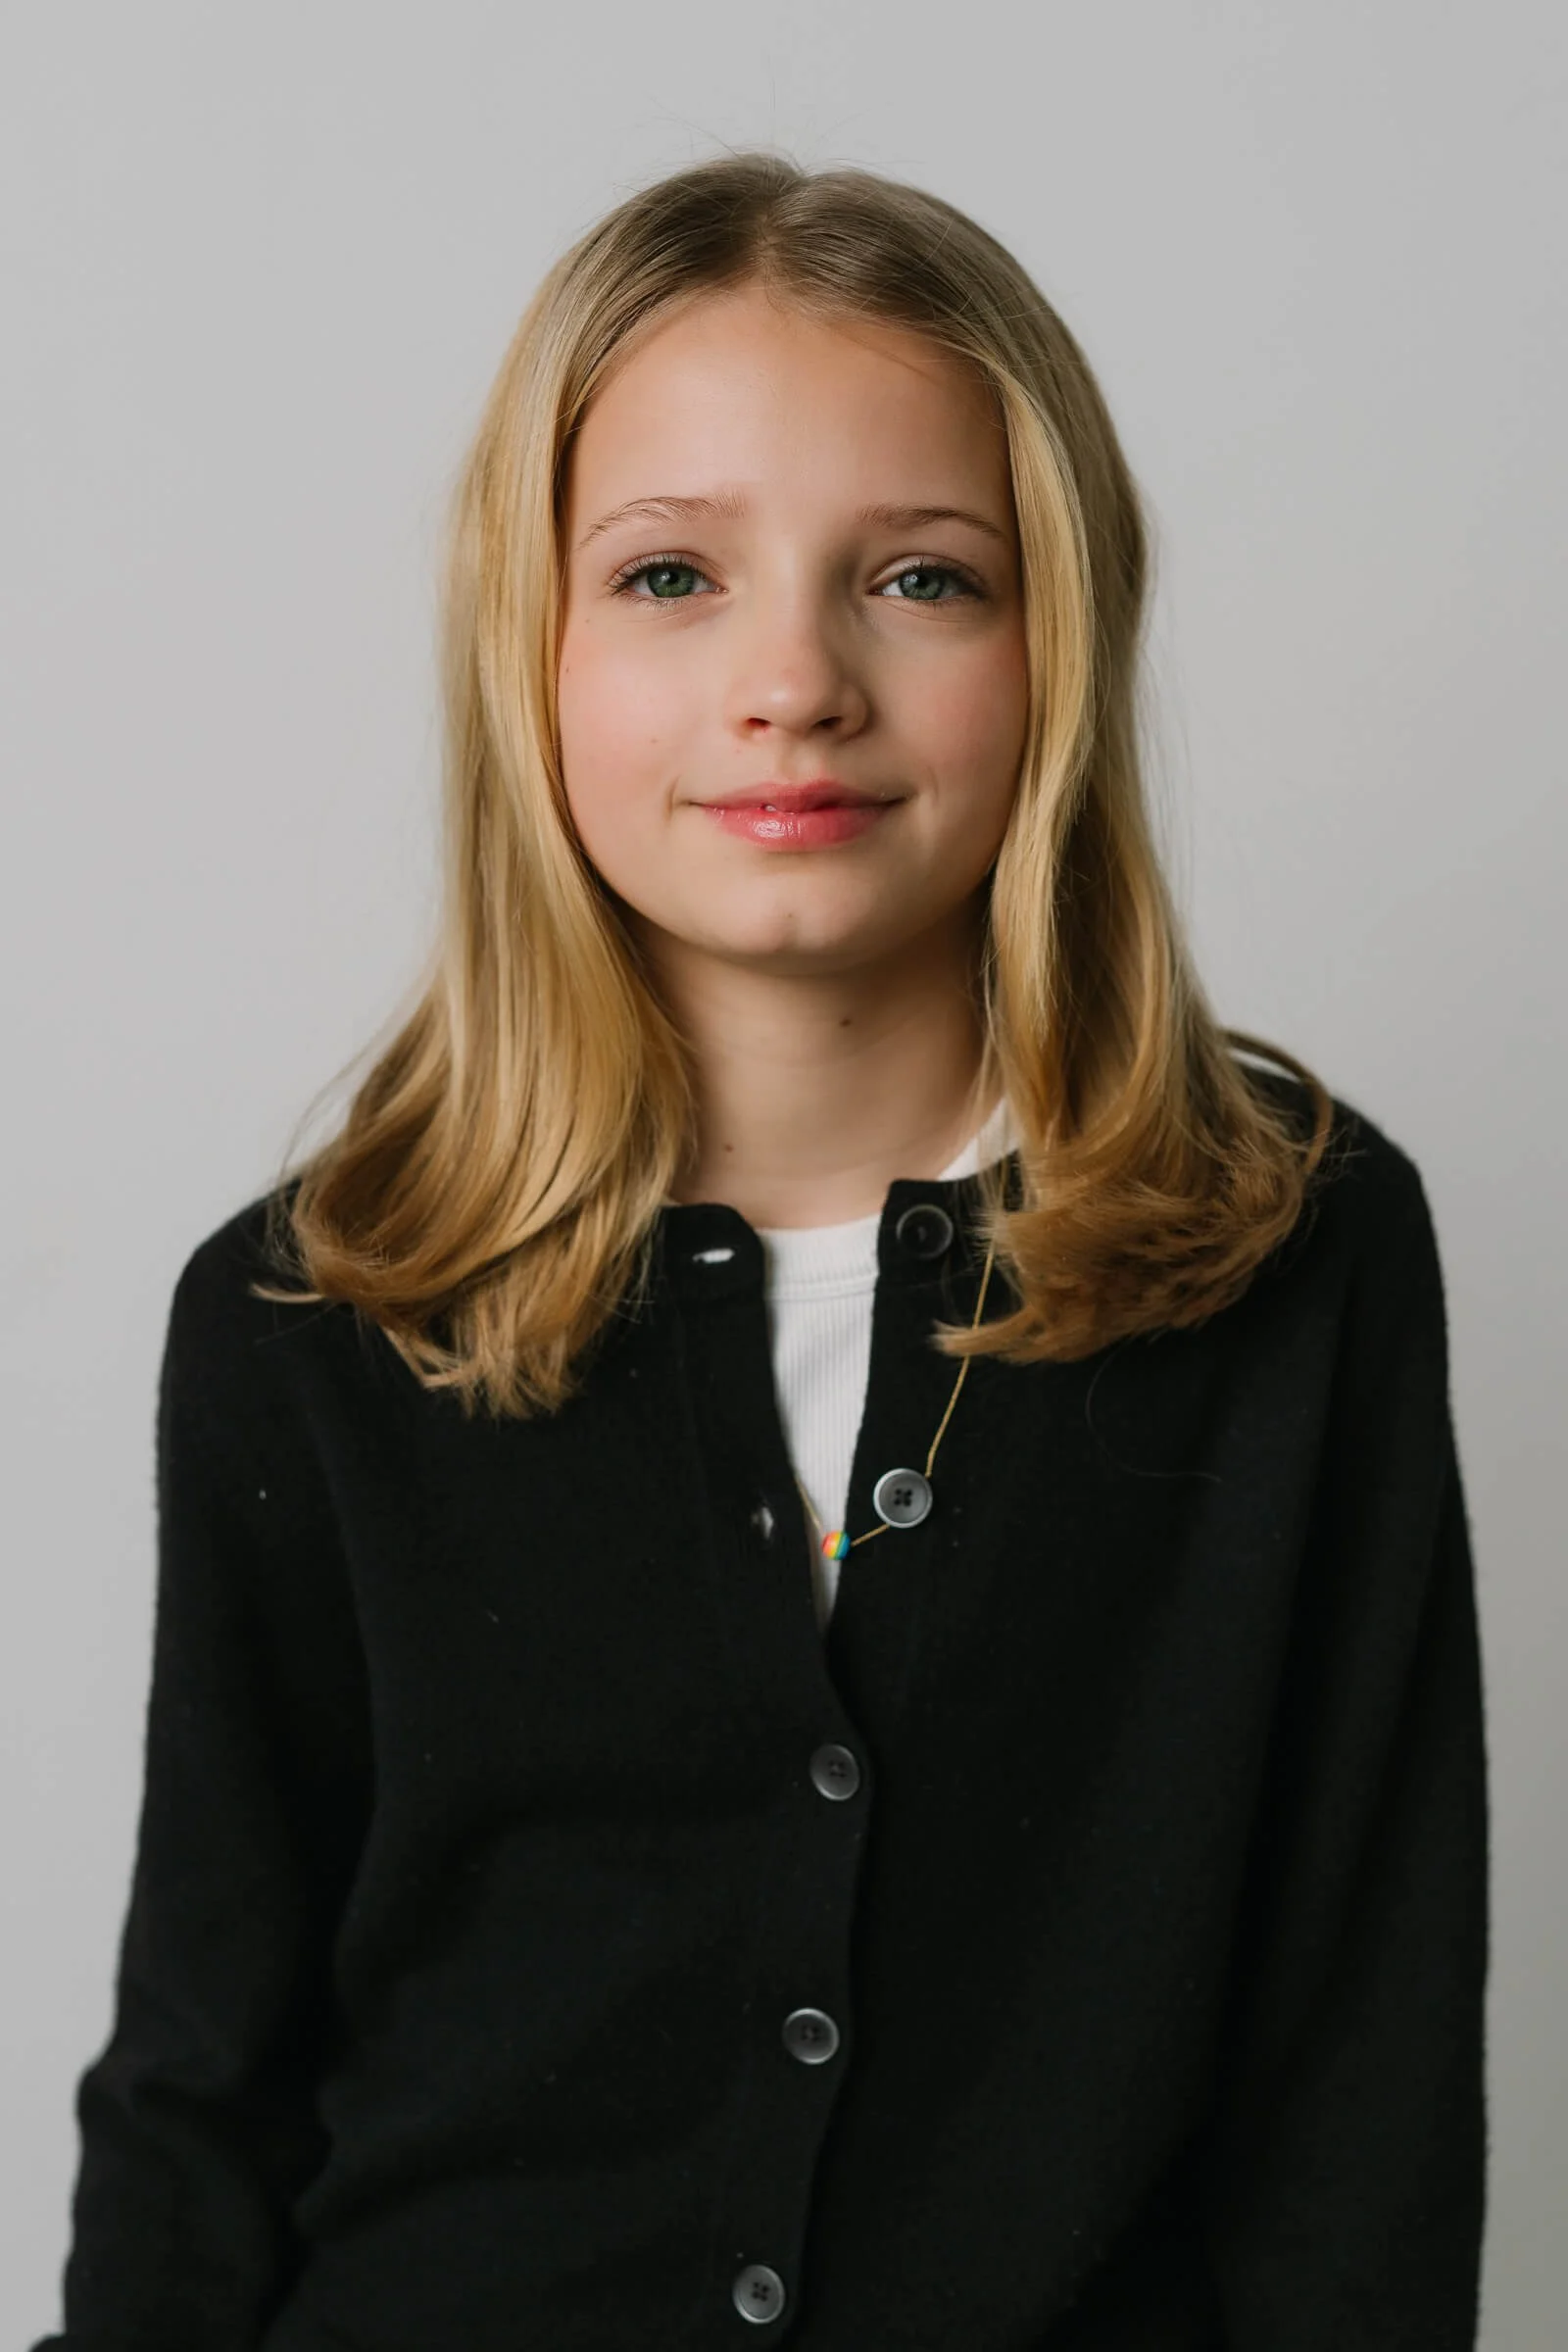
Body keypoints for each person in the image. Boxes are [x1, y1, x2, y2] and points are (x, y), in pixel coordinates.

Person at [31, 151, 1489, 2351]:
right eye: (667, 577)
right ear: (527, 642)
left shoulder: (1287, 1251)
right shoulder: (318, 1314)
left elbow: (1354, 2094)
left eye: (916, 575)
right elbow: (202, 2094)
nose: (789, 681)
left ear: (1057, 638)